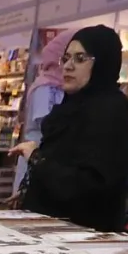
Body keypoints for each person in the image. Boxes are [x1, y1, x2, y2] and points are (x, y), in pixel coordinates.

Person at [13, 25, 128, 233]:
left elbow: (89, 186)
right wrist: (33, 191)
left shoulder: (110, 113)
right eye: (66, 58)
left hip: (81, 236)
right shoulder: (71, 108)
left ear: (103, 63)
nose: (68, 66)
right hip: (53, 229)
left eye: (80, 58)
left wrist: (36, 158)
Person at [14, 29, 77, 192]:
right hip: (38, 157)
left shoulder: (60, 86)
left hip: (47, 160)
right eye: (68, 57)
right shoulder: (45, 87)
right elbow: (47, 125)